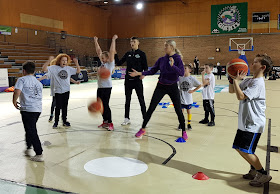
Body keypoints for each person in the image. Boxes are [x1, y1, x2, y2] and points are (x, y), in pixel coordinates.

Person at [228, 54, 273, 187]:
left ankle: (263, 173)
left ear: (263, 67)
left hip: (254, 123)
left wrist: (236, 81)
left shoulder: (258, 83)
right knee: (239, 147)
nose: (251, 64)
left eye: (255, 63)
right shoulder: (248, 81)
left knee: (245, 150)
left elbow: (241, 96)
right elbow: (232, 91)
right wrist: (232, 80)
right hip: (246, 122)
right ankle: (254, 171)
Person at [129, 40, 188, 140]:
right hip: (161, 86)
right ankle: (143, 128)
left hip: (173, 86)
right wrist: (140, 73)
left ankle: (183, 130)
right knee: (151, 108)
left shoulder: (177, 59)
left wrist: (173, 66)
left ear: (172, 47)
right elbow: (152, 71)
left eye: (166, 47)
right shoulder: (161, 59)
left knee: (178, 109)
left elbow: (181, 73)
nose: (164, 48)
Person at [13, 61, 44, 162]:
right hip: (37, 109)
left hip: (28, 109)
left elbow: (17, 91)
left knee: (31, 130)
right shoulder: (38, 82)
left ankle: (39, 153)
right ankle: (28, 146)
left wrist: (14, 101)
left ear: (24, 71)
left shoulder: (22, 80)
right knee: (29, 128)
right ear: (34, 71)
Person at [42, 54, 80, 129]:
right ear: (59, 61)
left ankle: (64, 121)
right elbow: (44, 69)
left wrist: (76, 63)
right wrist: (49, 61)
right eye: (63, 60)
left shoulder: (68, 68)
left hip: (66, 90)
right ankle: (56, 122)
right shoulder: (54, 68)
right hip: (58, 91)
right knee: (58, 107)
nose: (64, 62)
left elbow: (78, 71)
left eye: (66, 60)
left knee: (65, 107)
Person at [116, 37, 148, 126]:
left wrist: (143, 74)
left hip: (137, 81)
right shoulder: (128, 54)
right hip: (128, 81)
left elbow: (145, 67)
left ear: (138, 42)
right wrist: (115, 54)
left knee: (141, 99)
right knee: (127, 100)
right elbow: (119, 63)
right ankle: (126, 118)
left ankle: (145, 119)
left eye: (134, 41)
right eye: (131, 41)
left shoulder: (142, 54)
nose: (132, 43)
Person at [94, 35, 118, 131]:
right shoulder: (103, 63)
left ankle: (110, 123)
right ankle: (105, 121)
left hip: (107, 87)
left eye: (103, 58)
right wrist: (95, 41)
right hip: (100, 87)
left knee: (106, 105)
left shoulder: (110, 63)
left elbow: (112, 51)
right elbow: (98, 51)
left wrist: (113, 40)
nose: (101, 59)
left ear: (107, 58)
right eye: (101, 58)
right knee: (100, 105)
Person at [178, 64, 201, 130]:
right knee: (181, 112)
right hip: (181, 97)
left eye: (185, 68)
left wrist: (193, 90)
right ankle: (181, 123)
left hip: (188, 98)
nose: (183, 69)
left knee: (189, 111)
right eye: (183, 68)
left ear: (190, 70)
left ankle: (189, 124)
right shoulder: (180, 77)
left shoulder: (192, 78)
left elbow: (199, 85)